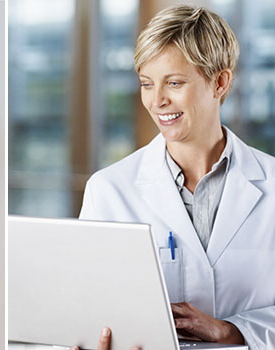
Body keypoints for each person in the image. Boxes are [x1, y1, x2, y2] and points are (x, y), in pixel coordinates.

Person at [79, 5, 275, 350]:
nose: (157, 101)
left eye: (174, 82)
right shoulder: (108, 190)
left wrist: (231, 330)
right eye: (146, 84)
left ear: (220, 82)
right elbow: (82, 305)